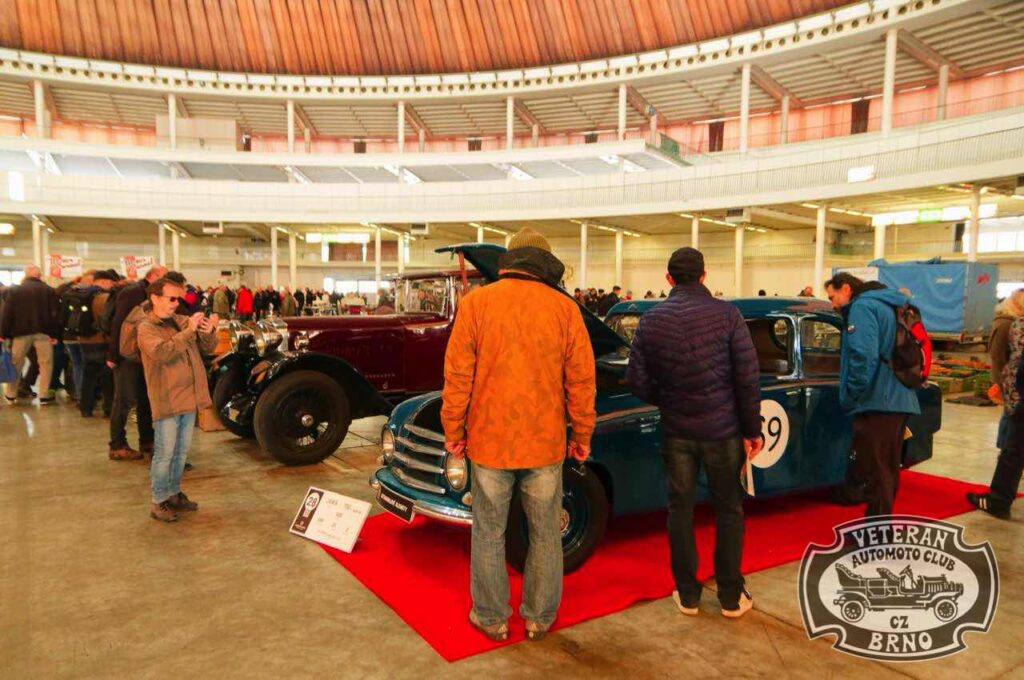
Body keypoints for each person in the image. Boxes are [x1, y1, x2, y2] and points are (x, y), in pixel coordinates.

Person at [441, 227, 596, 642]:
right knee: (545, 533)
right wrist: (582, 433)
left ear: (510, 261)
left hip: (489, 442)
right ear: (545, 264)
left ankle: (491, 617)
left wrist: (454, 429)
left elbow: (458, 376)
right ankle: (539, 617)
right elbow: (582, 381)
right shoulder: (564, 309)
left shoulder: (477, 304)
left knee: (488, 532)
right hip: (545, 443)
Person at [626, 247, 762, 619]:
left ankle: (687, 595)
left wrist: (668, 399)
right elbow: (747, 377)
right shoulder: (728, 315)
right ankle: (731, 597)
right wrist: (752, 428)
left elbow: (635, 379)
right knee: (729, 510)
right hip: (724, 432)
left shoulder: (652, 320)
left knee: (680, 511)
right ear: (704, 276)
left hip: (678, 433)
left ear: (668, 279)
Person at [824, 272, 920, 517]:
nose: (832, 304)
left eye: (832, 297)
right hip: (898, 395)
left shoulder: (863, 307)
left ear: (846, 289)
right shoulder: (890, 303)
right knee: (886, 468)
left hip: (879, 400)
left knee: (877, 471)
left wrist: (852, 395)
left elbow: (863, 357)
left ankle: (877, 532)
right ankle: (877, 527)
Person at [138, 278, 219, 522]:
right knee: (165, 453)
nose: (176, 304)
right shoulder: (146, 328)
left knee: (181, 453)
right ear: (155, 298)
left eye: (178, 299)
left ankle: (173, 493)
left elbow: (208, 348)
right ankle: (158, 500)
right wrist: (189, 332)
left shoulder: (181, 321)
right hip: (167, 400)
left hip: (188, 398)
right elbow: (162, 353)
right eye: (172, 299)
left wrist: (208, 331)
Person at [968, 295, 1024, 518]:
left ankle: (998, 501)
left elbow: (1011, 363)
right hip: (1016, 395)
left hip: (1018, 398)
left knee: (1012, 450)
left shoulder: (1016, 324)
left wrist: (1006, 389)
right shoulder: (1008, 324)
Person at [107, 265, 167, 461]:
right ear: (153, 276)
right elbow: (118, 323)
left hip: (143, 356)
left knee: (145, 399)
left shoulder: (149, 294)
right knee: (124, 401)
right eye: (164, 277)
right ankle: (117, 445)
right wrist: (113, 355)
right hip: (127, 356)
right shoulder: (133, 293)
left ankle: (147, 440)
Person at [1, 264, 61, 404]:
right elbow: (55, 314)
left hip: (20, 333)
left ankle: (11, 394)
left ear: (26, 274)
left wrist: (4, 333)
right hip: (44, 333)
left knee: (16, 362)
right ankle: (44, 395)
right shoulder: (49, 290)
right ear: (39, 275)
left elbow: (7, 313)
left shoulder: (15, 291)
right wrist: (55, 334)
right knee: (45, 363)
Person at [76, 270, 118, 417]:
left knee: (88, 376)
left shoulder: (81, 295)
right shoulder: (104, 298)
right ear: (105, 282)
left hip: (84, 340)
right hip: (101, 340)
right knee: (107, 377)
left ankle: (85, 408)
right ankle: (108, 409)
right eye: (111, 283)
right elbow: (109, 320)